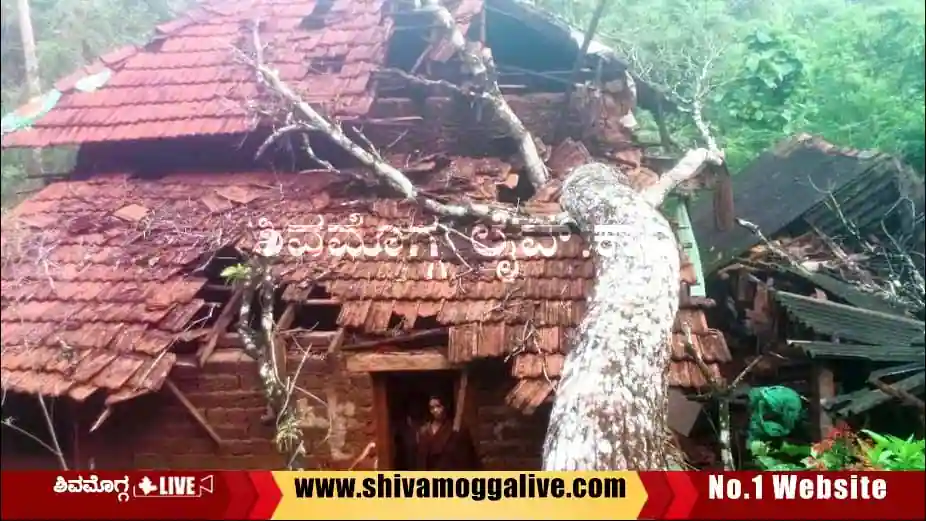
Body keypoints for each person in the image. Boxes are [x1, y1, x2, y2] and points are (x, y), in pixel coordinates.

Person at [414, 394, 481, 470]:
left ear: (445, 407)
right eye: (432, 408)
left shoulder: (456, 429)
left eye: (438, 406)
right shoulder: (424, 431)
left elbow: (467, 457)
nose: (435, 410)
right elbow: (421, 460)